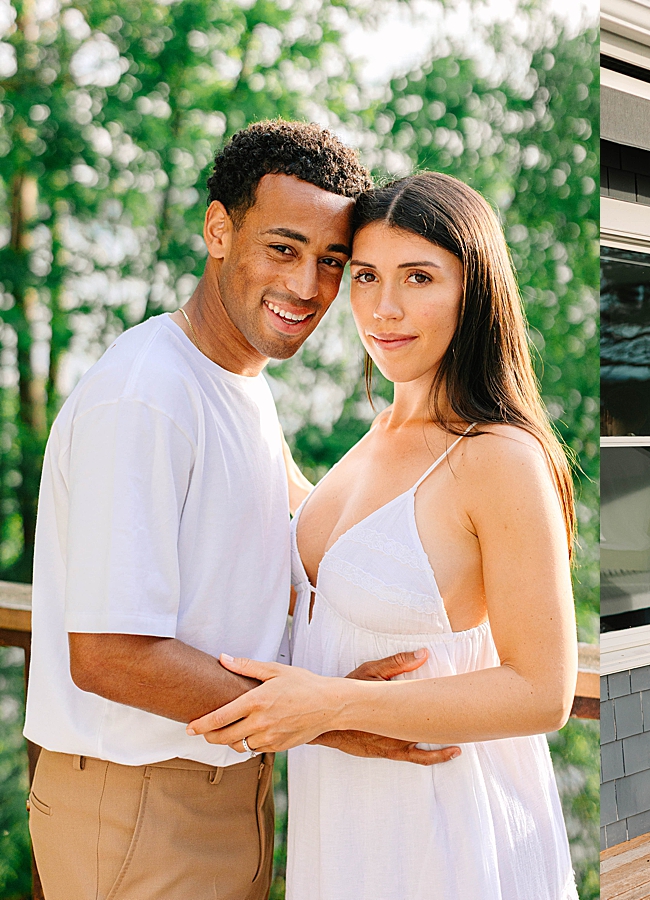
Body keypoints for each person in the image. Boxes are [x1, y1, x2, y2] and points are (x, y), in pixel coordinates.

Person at [23, 121, 457, 900]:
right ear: (219, 231)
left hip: (228, 783)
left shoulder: (241, 385)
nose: (308, 286)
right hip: (139, 801)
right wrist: (330, 716)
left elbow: (308, 542)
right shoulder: (146, 396)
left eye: (332, 262)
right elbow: (109, 653)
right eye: (283, 249)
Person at [187, 172, 579, 899]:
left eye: (419, 277)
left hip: (442, 833)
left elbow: (544, 692)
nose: (384, 307)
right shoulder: (375, 436)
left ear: (475, 291)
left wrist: (330, 705)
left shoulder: (497, 457)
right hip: (342, 823)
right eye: (365, 275)